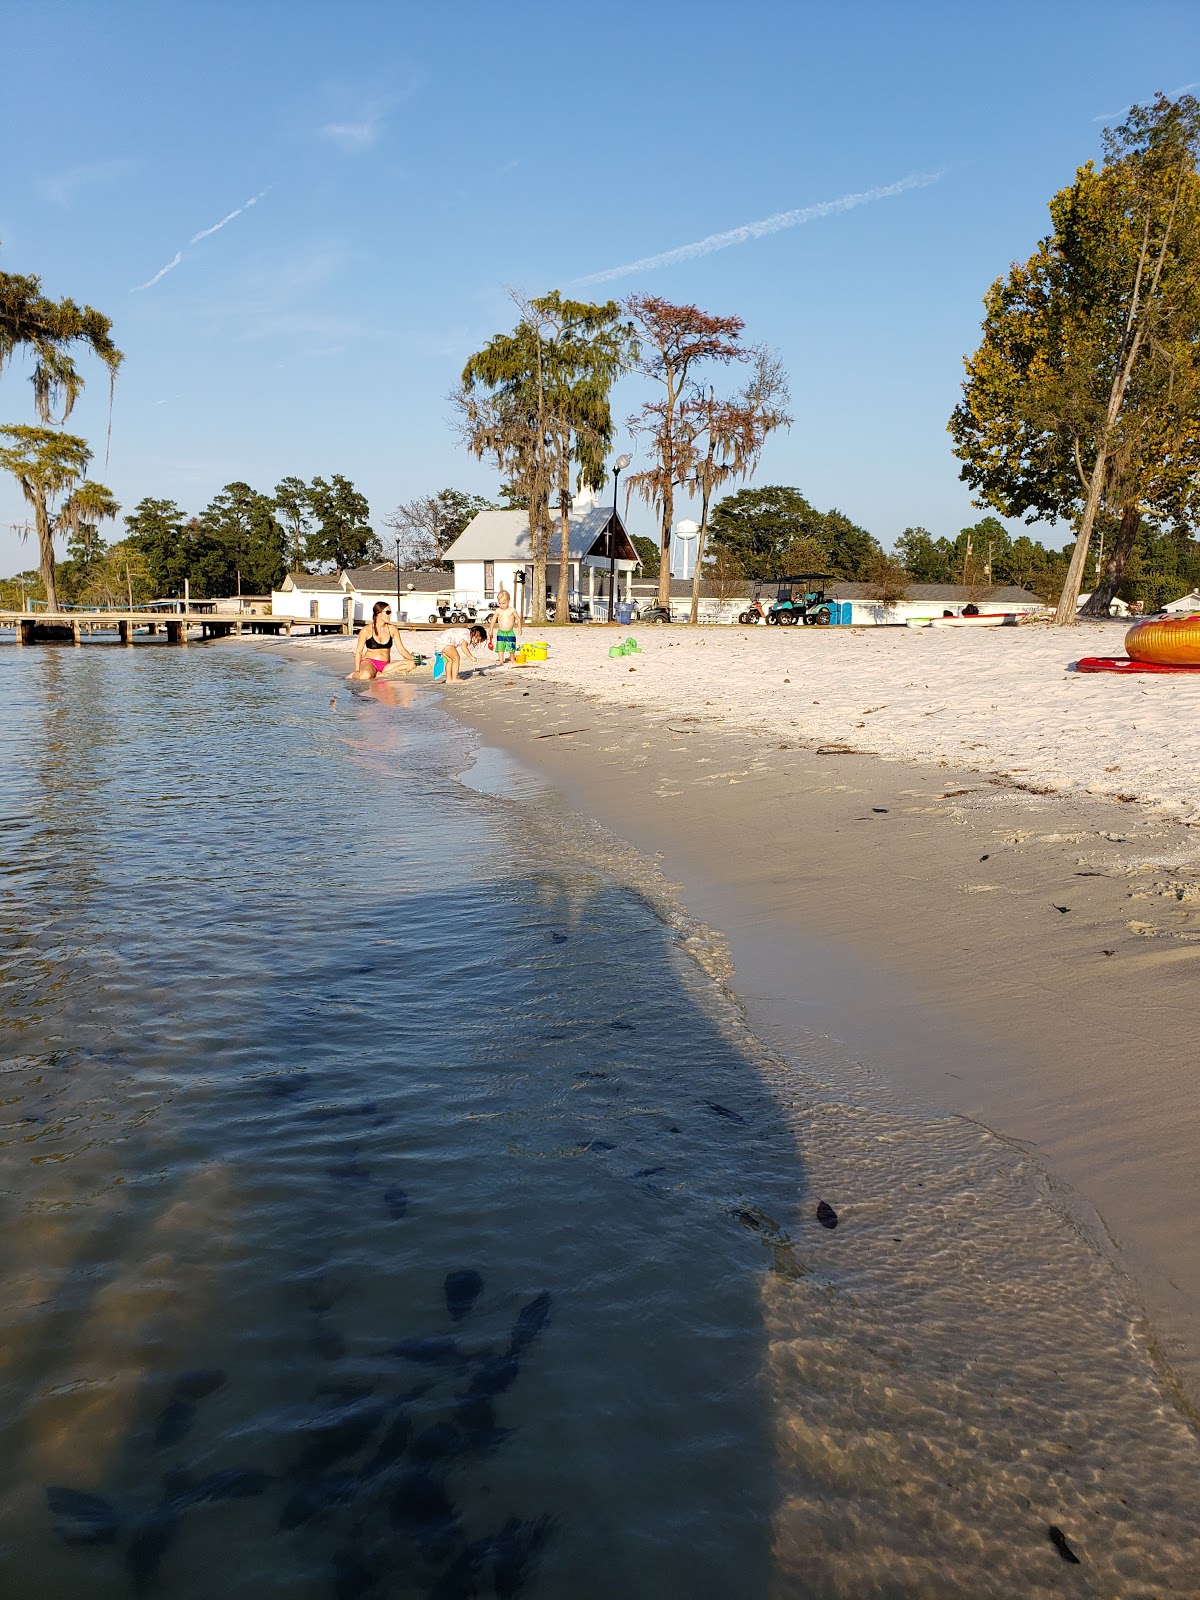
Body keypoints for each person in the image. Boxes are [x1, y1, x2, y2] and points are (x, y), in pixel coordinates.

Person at [349, 602, 415, 680]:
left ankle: (379, 674)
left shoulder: (392, 629)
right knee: (365, 676)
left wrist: (412, 658)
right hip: (370, 662)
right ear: (379, 613)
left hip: (385, 665)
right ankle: (353, 675)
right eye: (387, 612)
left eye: (390, 612)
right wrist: (357, 670)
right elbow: (359, 652)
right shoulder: (366, 630)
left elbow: (401, 649)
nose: (390, 615)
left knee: (412, 664)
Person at [488, 589, 522, 664]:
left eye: (503, 603)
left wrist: (519, 628)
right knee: (500, 646)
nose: (501, 605)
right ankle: (501, 660)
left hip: (510, 632)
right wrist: (491, 630)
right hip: (501, 632)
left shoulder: (512, 610)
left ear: (508, 601)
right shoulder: (498, 610)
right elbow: (493, 620)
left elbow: (518, 619)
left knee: (511, 646)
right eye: (499, 603)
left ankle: (512, 658)